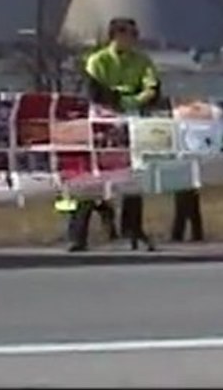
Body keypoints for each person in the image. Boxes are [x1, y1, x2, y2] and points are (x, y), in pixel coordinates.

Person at [68, 17, 158, 252]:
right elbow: (95, 91)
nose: (132, 40)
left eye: (134, 35)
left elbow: (152, 87)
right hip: (100, 126)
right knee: (89, 179)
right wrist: (122, 97)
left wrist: (131, 100)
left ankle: (133, 229)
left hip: (130, 123)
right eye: (128, 35)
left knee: (134, 177)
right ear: (115, 36)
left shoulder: (142, 60)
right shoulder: (98, 60)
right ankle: (78, 235)